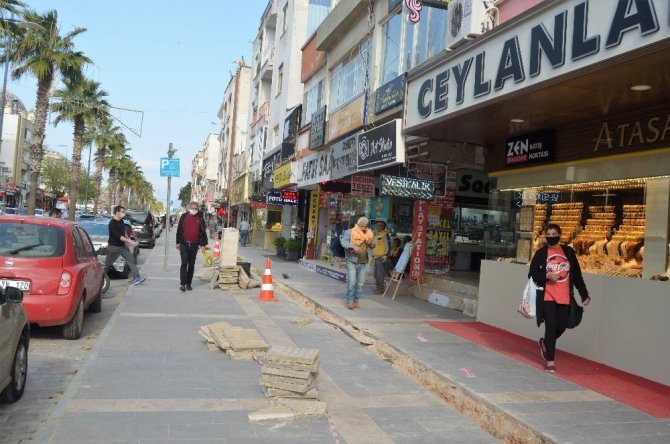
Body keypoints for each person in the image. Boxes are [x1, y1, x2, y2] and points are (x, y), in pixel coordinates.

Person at [529, 224, 590, 373]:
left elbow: (577, 275)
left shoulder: (568, 252)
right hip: (547, 296)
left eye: (554, 234)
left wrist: (584, 294)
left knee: (561, 326)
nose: (551, 236)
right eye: (548, 234)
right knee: (551, 325)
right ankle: (550, 361)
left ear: (559, 235)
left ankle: (546, 343)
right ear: (545, 236)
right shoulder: (541, 253)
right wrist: (547, 276)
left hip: (565, 296)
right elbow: (532, 275)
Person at [105, 205, 146, 286]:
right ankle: (99, 278)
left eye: (124, 212)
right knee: (107, 265)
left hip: (122, 247)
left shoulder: (121, 221)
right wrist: (130, 242)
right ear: (117, 212)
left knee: (131, 260)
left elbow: (123, 233)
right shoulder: (112, 223)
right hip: (113, 247)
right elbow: (119, 237)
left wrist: (129, 238)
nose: (124, 213)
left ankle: (136, 278)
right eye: (122, 212)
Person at [340, 216, 373, 310]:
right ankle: (350, 301)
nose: (364, 228)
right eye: (362, 226)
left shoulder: (369, 233)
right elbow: (343, 242)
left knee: (360, 283)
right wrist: (353, 247)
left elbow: (373, 245)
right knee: (351, 281)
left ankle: (356, 300)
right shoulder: (350, 232)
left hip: (363, 261)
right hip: (351, 260)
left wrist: (370, 243)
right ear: (358, 225)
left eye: (365, 226)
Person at [176, 201, 208, 291]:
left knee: (191, 265)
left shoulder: (200, 217)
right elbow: (179, 230)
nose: (194, 210)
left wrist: (203, 245)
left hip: (194, 245)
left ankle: (188, 284)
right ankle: (183, 284)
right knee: (184, 263)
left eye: (195, 209)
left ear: (198, 209)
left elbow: (203, 232)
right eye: (192, 208)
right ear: (189, 208)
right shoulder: (184, 216)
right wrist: (178, 242)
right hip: (184, 244)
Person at [372, 220, 390, 293]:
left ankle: (380, 289)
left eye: (381, 225)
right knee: (376, 274)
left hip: (382, 257)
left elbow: (388, 246)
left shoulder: (385, 235)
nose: (379, 226)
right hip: (376, 257)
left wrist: (386, 255)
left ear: (384, 226)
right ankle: (378, 287)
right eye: (377, 225)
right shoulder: (377, 234)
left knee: (380, 274)